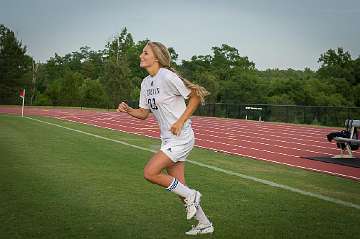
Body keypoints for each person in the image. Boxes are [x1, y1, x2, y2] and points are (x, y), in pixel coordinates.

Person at [117, 41, 214, 235]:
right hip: (168, 139)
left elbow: (195, 96)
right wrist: (128, 110)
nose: (140, 56)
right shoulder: (146, 83)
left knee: (150, 172)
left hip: (182, 136)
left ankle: (193, 195)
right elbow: (144, 113)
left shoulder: (167, 76)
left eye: (145, 53)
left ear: (156, 57)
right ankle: (204, 223)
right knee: (180, 188)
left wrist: (180, 121)